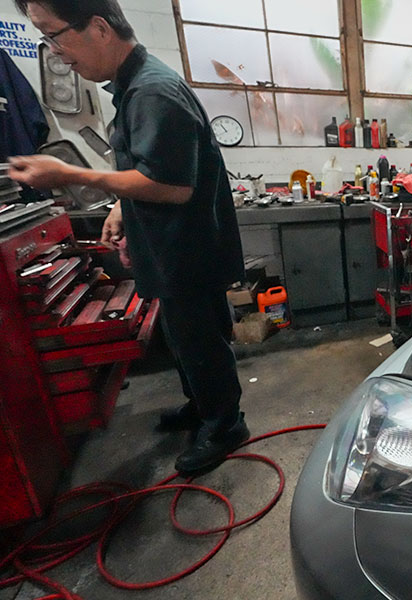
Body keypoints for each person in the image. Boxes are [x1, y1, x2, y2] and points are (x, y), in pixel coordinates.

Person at [9, 0, 248, 474]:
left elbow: (173, 186)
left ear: (98, 28)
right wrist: (121, 207)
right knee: (184, 340)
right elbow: (148, 165)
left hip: (187, 251)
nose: (55, 53)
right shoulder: (133, 87)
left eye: (55, 35)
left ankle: (224, 425)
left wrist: (69, 172)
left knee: (200, 342)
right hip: (169, 248)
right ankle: (203, 407)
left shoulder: (153, 92)